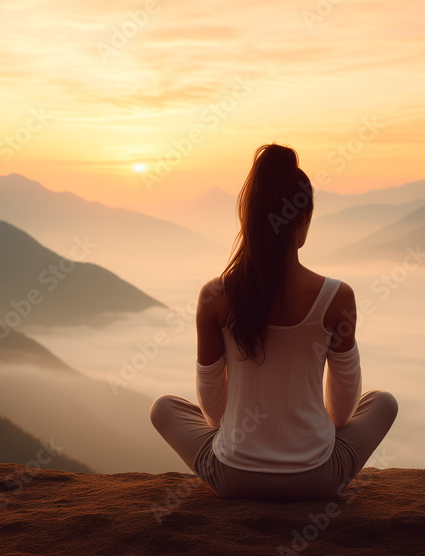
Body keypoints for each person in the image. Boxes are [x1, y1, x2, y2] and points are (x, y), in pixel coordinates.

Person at [149, 143, 398, 502]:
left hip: (233, 479)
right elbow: (342, 414)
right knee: (383, 401)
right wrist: (305, 434)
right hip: (318, 479)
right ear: (304, 219)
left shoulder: (214, 296)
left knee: (163, 407)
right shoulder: (337, 297)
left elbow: (215, 414)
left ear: (246, 219)